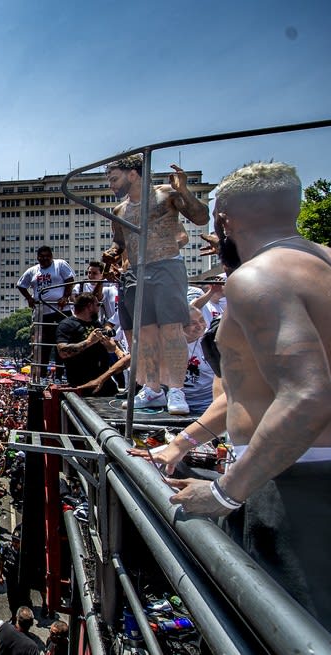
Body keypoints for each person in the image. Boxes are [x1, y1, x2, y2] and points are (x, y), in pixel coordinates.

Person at [167, 162, 331, 631]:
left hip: (291, 487)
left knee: (277, 630)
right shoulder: (321, 262)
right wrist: (182, 442)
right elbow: (253, 387)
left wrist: (225, 491)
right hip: (301, 474)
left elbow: (308, 395)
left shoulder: (257, 277)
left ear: (224, 219)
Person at [103, 155, 209, 415]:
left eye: (114, 179)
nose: (112, 186)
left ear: (133, 174)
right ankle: (152, 389)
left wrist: (184, 191)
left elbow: (201, 217)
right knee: (145, 334)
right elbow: (120, 243)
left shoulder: (166, 195)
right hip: (135, 273)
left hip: (166, 266)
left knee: (172, 329)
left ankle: (176, 390)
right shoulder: (119, 211)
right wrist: (111, 253)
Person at [17, 245, 75, 371]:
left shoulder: (60, 264)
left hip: (61, 310)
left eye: (47, 256)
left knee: (61, 344)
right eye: (42, 256)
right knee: (43, 345)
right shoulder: (32, 271)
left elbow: (70, 280)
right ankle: (42, 374)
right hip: (42, 312)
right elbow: (21, 285)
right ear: (37, 258)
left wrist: (65, 296)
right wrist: (29, 298)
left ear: (52, 256)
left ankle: (60, 375)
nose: (45, 259)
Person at [55, 293, 122, 396]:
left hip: (104, 381)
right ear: (89, 306)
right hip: (82, 382)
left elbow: (112, 348)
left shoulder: (97, 324)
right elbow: (62, 352)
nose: (99, 308)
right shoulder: (67, 325)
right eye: (97, 305)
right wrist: (89, 342)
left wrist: (109, 344)